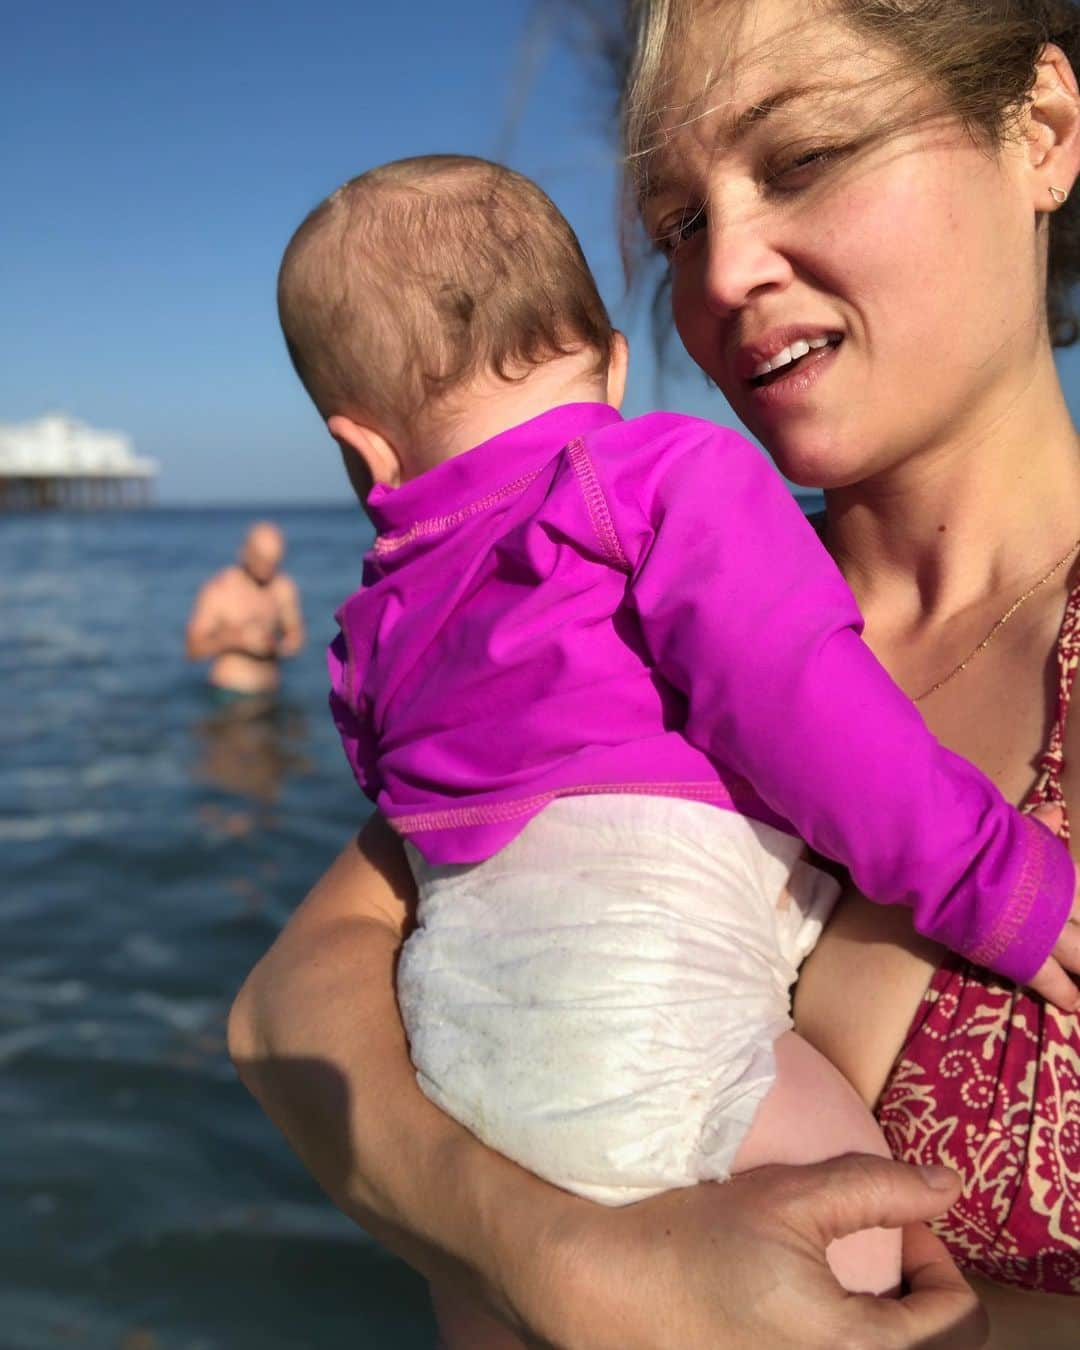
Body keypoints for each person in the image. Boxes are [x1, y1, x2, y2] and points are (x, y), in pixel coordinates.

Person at [229, 0, 1080, 1345]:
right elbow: (281, 1010)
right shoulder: (633, 587)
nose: (723, 268)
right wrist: (581, 1267)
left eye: (800, 158)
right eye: (679, 225)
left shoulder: (490, 598)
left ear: (1041, 129)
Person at [184, 521, 305, 695]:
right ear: (245, 553)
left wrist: (278, 647)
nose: (268, 569)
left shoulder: (283, 587)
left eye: (274, 562)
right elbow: (192, 649)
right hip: (227, 692)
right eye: (262, 561)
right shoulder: (219, 589)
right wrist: (236, 639)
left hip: (270, 691)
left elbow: (296, 637)